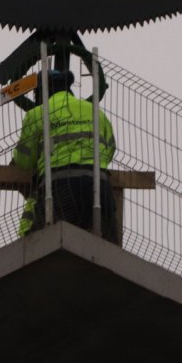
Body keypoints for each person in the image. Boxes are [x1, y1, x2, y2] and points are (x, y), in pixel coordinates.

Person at [11, 67, 118, 243]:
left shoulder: (37, 113)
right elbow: (110, 148)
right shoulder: (95, 111)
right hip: (99, 185)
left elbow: (24, 160)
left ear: (41, 92)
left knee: (37, 243)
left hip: (60, 185)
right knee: (108, 247)